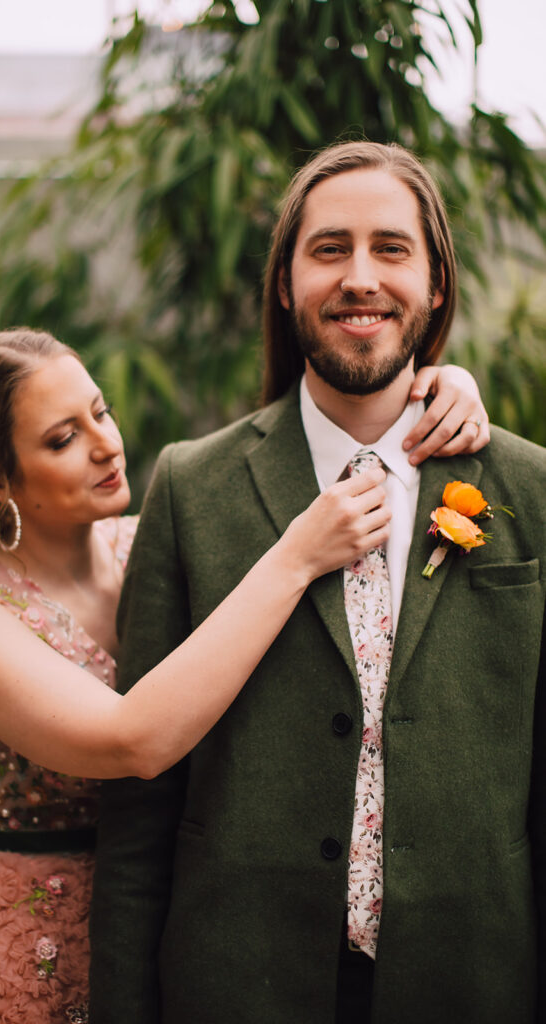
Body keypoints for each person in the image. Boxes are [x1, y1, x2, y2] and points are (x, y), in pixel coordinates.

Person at [0, 327, 483, 1023]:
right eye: (60, 439)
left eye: (99, 413)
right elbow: (130, 742)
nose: (106, 444)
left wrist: (435, 391)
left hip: (183, 920)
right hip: (27, 943)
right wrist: (291, 559)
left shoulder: (146, 541)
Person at [89, 141, 546, 1024]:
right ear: (285, 283)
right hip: (237, 981)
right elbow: (139, 814)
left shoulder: (528, 490)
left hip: (471, 980)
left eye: (392, 248)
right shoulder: (191, 486)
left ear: (436, 282)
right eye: (329, 249)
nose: (360, 276)